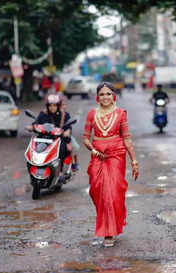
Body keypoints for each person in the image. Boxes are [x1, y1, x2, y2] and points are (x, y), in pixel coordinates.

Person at [83, 82, 139, 247]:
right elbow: (86, 138)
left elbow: (127, 138)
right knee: (97, 190)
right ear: (97, 97)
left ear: (113, 96)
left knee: (112, 192)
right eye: (102, 94)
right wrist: (93, 150)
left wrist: (133, 160)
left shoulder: (121, 114)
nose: (105, 97)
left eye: (108, 94)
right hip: (98, 157)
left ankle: (109, 232)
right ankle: (108, 224)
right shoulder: (92, 114)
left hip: (116, 155)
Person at [26, 94, 73, 181]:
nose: (52, 108)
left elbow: (68, 126)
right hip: (43, 138)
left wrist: (67, 131)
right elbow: (36, 123)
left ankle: (61, 171)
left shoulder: (64, 115)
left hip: (58, 139)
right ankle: (35, 165)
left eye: (55, 105)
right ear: (47, 106)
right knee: (34, 147)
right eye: (50, 105)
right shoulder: (43, 114)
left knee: (62, 148)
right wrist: (31, 127)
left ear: (58, 106)